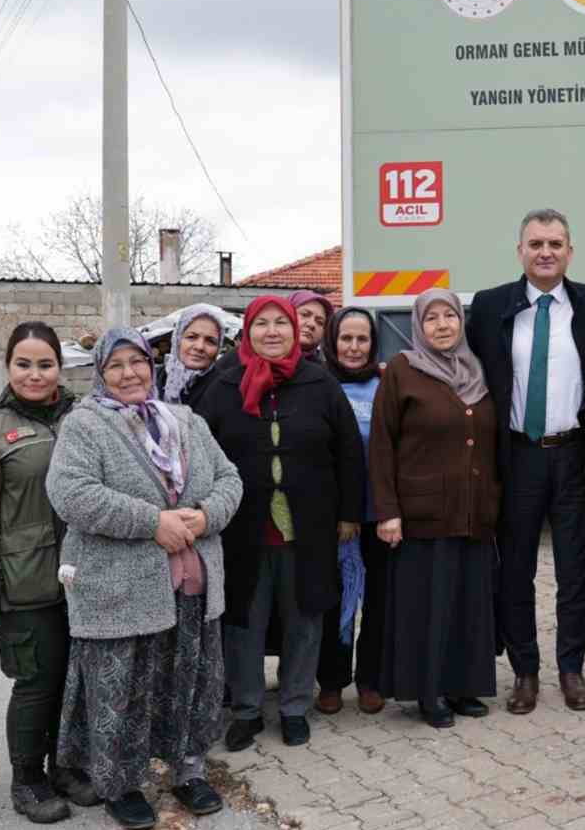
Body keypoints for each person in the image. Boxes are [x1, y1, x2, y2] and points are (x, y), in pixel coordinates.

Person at [46, 328, 243, 830]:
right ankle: (120, 785)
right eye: (116, 366)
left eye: (137, 362)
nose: (130, 373)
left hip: (191, 583)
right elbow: (72, 494)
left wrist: (204, 516)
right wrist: (152, 522)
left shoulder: (185, 420)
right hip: (120, 587)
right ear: (100, 373)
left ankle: (188, 769)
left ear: (152, 366)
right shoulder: (84, 425)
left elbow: (230, 480)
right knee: (121, 689)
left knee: (191, 680)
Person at [465, 208, 585, 715]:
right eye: (536, 244)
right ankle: (526, 672)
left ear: (570, 252)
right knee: (515, 571)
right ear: (520, 251)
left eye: (555, 243)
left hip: (576, 454)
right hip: (516, 456)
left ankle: (572, 669)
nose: (546, 252)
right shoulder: (490, 307)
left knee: (576, 570)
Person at [196, 297, 363, 750]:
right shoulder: (223, 386)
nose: (272, 332)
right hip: (241, 530)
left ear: (295, 330)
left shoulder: (320, 383)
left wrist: (349, 513)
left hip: (308, 528)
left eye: (281, 324)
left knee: (304, 618)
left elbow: (348, 451)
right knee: (244, 619)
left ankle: (293, 707)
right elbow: (201, 456)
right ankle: (247, 710)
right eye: (262, 324)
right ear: (247, 332)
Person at [0, 322, 97, 824]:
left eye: (45, 364)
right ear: (8, 367)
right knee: (36, 681)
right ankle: (27, 779)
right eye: (24, 364)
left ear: (60, 367)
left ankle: (64, 767)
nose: (35, 374)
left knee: (74, 679)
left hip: (85, 576)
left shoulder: (84, 419)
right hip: (26, 579)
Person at [370, 288, 501, 727]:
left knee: (469, 601)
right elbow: (382, 445)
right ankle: (429, 693)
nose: (443, 325)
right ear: (418, 326)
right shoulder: (403, 371)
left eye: (450, 316)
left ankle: (464, 687)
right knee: (428, 604)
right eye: (432, 318)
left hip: (473, 511)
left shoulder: (478, 370)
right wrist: (387, 511)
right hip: (422, 513)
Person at [315, 306, 390, 716]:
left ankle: (370, 680)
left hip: (378, 511)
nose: (354, 347)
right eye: (346, 338)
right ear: (333, 340)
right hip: (333, 515)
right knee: (334, 598)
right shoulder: (317, 383)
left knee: (377, 600)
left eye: (362, 339)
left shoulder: (386, 384)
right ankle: (331, 680)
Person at [158, 304, 227, 409]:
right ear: (177, 339)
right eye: (192, 337)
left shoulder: (225, 388)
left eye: (210, 341)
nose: (200, 347)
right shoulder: (153, 379)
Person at [291, 290, 334, 364]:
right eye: (305, 315)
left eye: (320, 322)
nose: (312, 324)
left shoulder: (324, 373)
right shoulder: (265, 361)